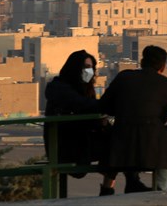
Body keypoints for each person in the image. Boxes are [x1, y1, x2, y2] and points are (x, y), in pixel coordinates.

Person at [98, 45, 167, 192]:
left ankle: (118, 187)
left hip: (120, 147)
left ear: (142, 62)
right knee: (164, 137)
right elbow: (163, 117)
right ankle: (159, 190)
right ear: (163, 66)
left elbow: (104, 105)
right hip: (152, 150)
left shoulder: (124, 77)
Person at [43, 50, 116, 195]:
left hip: (82, 142)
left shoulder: (85, 91)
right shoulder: (58, 88)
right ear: (74, 67)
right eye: (85, 67)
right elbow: (80, 105)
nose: (88, 71)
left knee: (118, 142)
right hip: (66, 147)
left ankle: (110, 187)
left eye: (91, 67)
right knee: (116, 146)